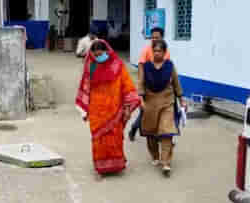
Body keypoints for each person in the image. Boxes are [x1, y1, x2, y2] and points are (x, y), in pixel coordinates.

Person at [75, 40, 141, 175]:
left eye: (101, 53)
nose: (99, 56)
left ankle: (117, 165)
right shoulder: (90, 66)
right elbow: (85, 87)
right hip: (96, 110)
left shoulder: (118, 65)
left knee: (114, 138)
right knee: (98, 139)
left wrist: (127, 107)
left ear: (107, 51)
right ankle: (101, 167)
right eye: (95, 53)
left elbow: (126, 85)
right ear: (92, 54)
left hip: (115, 108)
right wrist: (84, 109)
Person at [138, 40, 186, 177]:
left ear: (165, 53)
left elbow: (176, 83)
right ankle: (155, 155)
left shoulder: (170, 66)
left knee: (167, 131)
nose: (157, 53)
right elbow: (141, 82)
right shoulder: (145, 66)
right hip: (150, 102)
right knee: (151, 133)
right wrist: (140, 98)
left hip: (167, 102)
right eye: (155, 51)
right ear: (152, 52)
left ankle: (166, 163)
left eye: (160, 51)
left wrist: (182, 99)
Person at [129, 27, 170, 141]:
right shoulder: (146, 50)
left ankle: (159, 135)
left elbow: (167, 68)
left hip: (161, 87)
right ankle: (134, 128)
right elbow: (141, 68)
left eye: (156, 37)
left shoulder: (165, 51)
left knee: (160, 111)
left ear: (162, 38)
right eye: (152, 37)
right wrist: (141, 87)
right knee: (145, 111)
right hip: (148, 87)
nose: (154, 39)